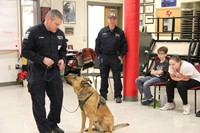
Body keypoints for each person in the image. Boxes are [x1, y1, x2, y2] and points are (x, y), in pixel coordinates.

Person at [22, 9, 67, 133]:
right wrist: (42, 59)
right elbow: (25, 51)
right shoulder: (33, 32)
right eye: (56, 24)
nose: (58, 27)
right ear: (48, 20)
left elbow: (63, 49)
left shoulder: (59, 33)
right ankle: (44, 129)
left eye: (59, 24)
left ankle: (52, 124)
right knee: (39, 102)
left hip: (54, 72)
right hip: (37, 71)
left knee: (57, 99)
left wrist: (62, 59)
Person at [95, 13, 127, 103]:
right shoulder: (102, 31)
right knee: (104, 77)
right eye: (110, 19)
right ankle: (103, 95)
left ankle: (118, 95)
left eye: (114, 19)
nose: (112, 21)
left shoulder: (120, 32)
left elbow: (124, 45)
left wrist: (121, 55)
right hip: (104, 57)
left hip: (115, 57)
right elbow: (97, 43)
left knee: (117, 77)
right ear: (107, 20)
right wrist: (99, 55)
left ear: (115, 20)